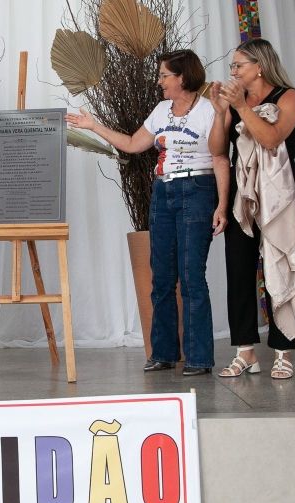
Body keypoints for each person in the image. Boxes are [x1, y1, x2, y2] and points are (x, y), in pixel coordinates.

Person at [67, 49, 229, 376]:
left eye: (164, 75)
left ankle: (199, 358)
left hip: (197, 190)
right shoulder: (160, 110)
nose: (159, 82)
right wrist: (92, 125)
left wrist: (222, 204)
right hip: (164, 191)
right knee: (162, 276)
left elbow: (219, 156)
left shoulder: (210, 109)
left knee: (192, 276)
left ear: (182, 77)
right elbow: (130, 143)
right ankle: (164, 353)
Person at [209, 38, 295, 380]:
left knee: (278, 264)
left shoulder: (288, 96)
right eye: (232, 66)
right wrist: (222, 111)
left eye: (238, 65)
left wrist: (243, 108)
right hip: (242, 194)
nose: (232, 71)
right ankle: (245, 351)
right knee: (238, 269)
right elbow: (218, 150)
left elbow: (271, 138)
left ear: (259, 67)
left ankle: (283, 351)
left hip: (280, 193)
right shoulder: (235, 103)